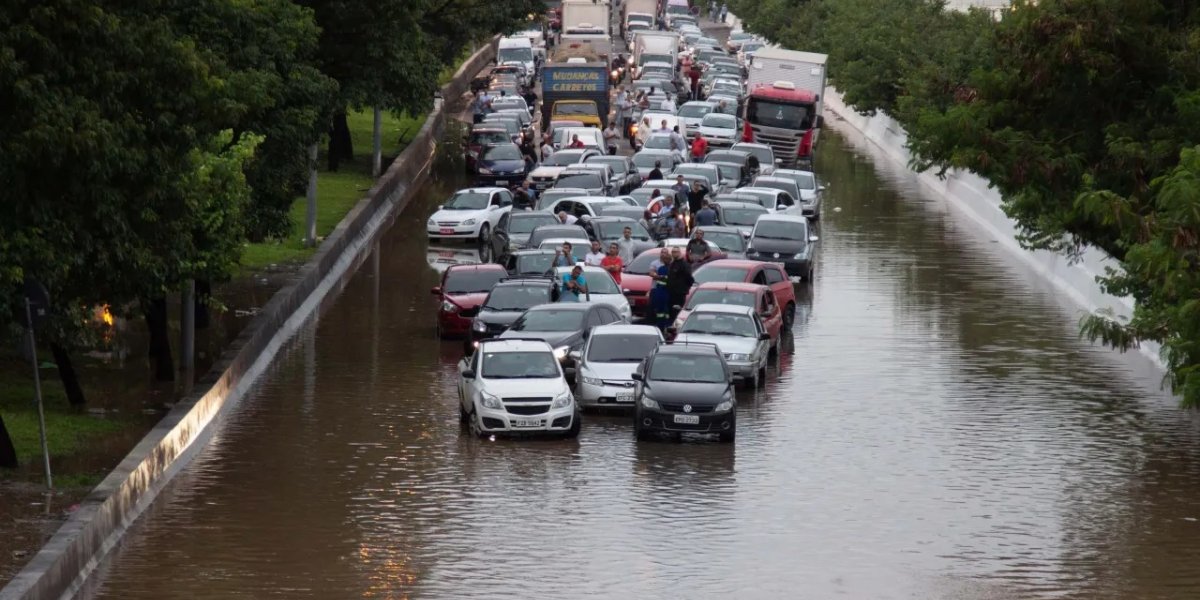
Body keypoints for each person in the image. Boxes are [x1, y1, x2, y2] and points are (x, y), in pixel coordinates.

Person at [666, 247, 694, 321]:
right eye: (673, 252)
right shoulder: (672, 264)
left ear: (679, 253)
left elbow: (689, 278)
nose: (674, 253)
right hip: (671, 293)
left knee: (677, 312)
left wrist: (685, 288)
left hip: (680, 293)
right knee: (671, 312)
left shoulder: (684, 265)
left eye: (676, 252)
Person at [648, 250, 672, 329]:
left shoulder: (663, 268)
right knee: (662, 309)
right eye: (662, 252)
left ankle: (661, 325)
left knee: (662, 309)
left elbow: (659, 279)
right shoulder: (656, 264)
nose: (663, 255)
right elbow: (652, 273)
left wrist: (660, 277)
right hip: (662, 290)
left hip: (662, 291)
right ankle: (665, 325)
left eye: (665, 253)